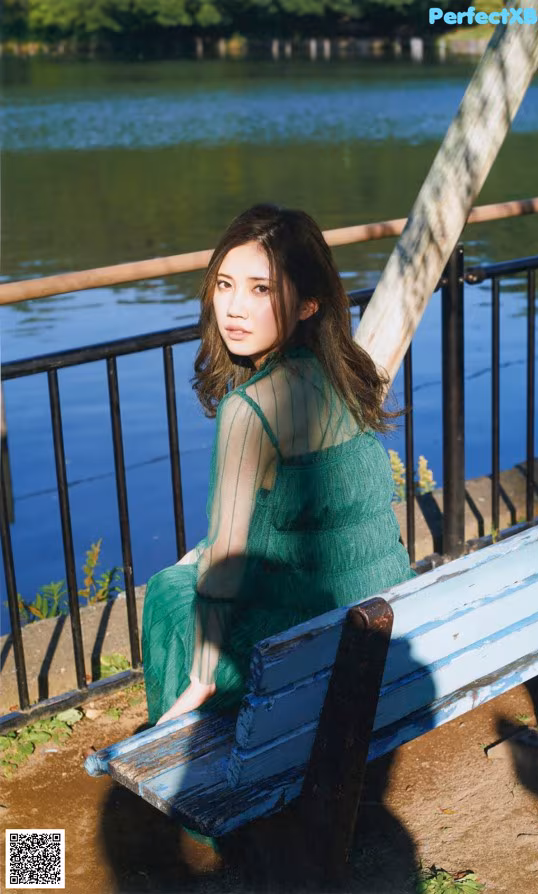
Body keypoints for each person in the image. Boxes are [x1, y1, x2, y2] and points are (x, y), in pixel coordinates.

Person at [141, 203, 417, 732]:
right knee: (190, 564)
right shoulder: (344, 377)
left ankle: (184, 761)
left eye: (260, 289)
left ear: (309, 303)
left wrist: (201, 679)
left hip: (308, 656)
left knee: (167, 593)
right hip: (384, 628)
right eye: (224, 285)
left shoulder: (249, 409)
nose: (234, 309)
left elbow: (224, 566)